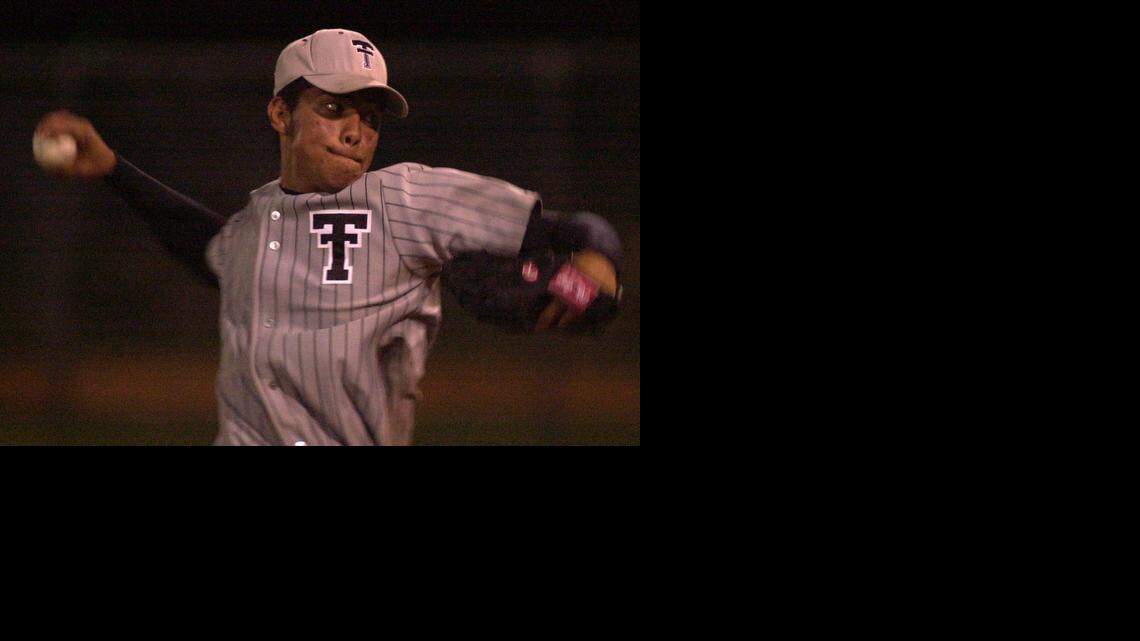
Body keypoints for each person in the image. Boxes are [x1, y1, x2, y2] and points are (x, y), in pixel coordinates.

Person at [32, 28, 622, 446]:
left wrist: (597, 263)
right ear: (280, 115)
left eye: (370, 116)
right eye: (335, 108)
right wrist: (113, 170)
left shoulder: (408, 198)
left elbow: (579, 229)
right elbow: (211, 250)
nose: (356, 132)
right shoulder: (257, 220)